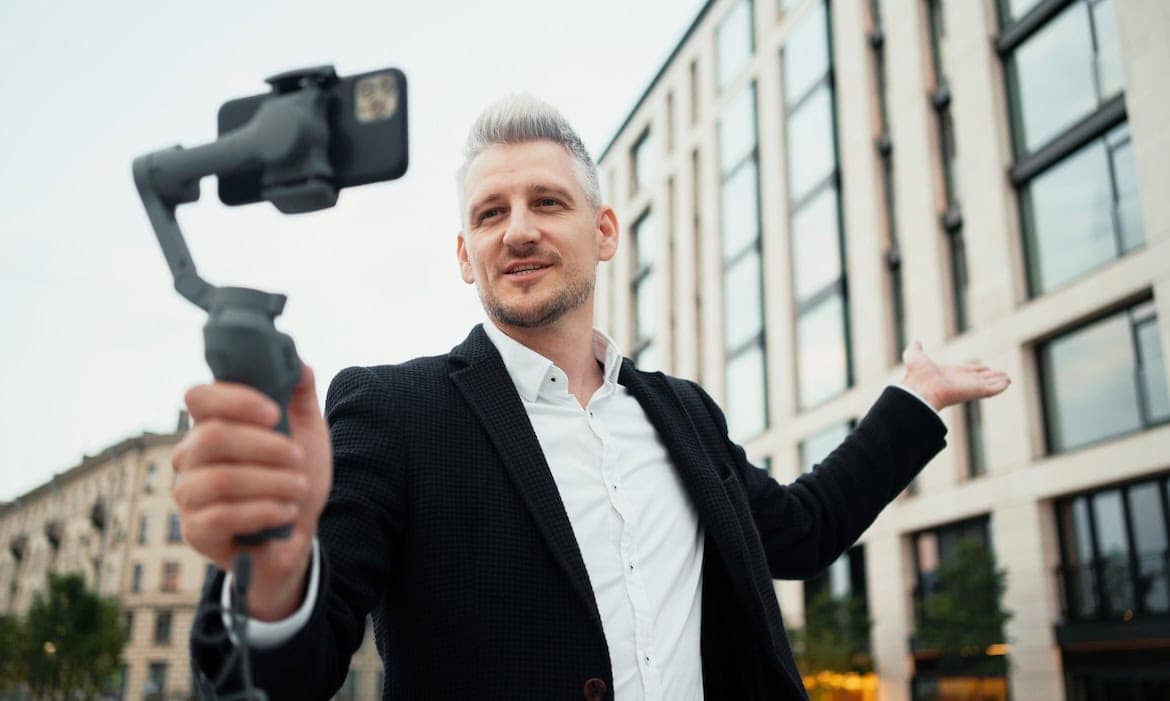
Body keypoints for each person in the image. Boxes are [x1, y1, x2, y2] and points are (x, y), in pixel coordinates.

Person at [174, 96, 1010, 700]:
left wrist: (914, 399)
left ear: (603, 232)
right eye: (490, 213)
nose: (519, 229)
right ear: (466, 255)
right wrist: (275, 578)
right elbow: (290, 675)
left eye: (547, 201)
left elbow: (802, 529)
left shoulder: (683, 414)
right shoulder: (392, 412)